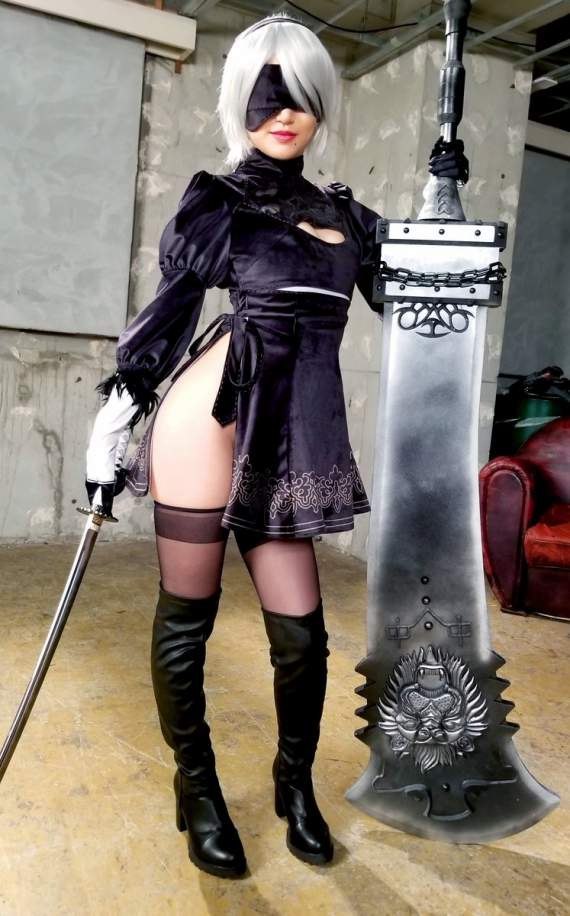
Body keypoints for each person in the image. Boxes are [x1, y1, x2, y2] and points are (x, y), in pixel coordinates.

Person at [84, 13, 468, 879]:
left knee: (300, 636)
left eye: (300, 98)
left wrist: (441, 208)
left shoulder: (349, 218)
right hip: (208, 416)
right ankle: (197, 787)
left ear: (320, 104)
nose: (285, 114)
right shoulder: (218, 201)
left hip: (292, 433)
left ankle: (293, 787)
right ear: (239, 104)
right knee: (189, 615)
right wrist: (116, 419)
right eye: (267, 97)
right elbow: (168, 312)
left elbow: (416, 303)